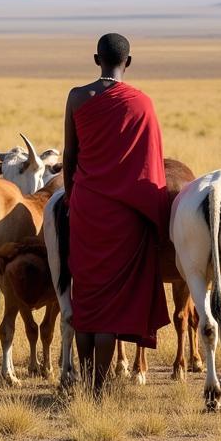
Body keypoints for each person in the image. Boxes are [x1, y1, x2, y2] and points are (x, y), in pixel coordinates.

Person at [61, 33, 170, 394]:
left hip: (86, 209)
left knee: (86, 299)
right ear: (129, 62)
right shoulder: (142, 103)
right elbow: (151, 165)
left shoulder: (77, 97)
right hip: (124, 216)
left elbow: (69, 156)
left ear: (96, 59)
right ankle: (99, 387)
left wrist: (73, 198)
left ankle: (88, 381)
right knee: (109, 309)